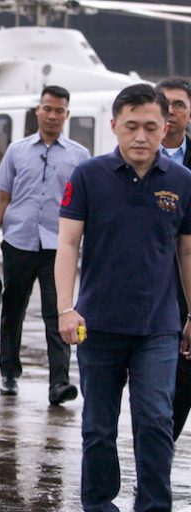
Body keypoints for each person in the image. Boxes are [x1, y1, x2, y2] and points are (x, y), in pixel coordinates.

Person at [55, 83, 191, 512]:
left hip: (158, 327)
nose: (141, 136)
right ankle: (99, 504)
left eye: (151, 127)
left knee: (155, 421)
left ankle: (153, 506)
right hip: (97, 325)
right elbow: (68, 245)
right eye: (131, 126)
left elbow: (187, 252)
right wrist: (65, 308)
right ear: (114, 125)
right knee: (98, 427)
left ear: (165, 127)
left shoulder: (182, 181)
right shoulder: (88, 176)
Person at [0, 85, 90, 403]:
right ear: (38, 111)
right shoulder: (17, 151)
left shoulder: (79, 156)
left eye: (59, 111)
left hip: (59, 247)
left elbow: (87, 206)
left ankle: (59, 383)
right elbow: (2, 198)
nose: (53, 115)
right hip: (18, 242)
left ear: (67, 115)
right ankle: (9, 373)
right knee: (13, 309)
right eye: (48, 109)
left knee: (58, 311)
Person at [155, 77, 191, 443]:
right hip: (145, 280)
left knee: (184, 377)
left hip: (186, 282)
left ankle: (161, 449)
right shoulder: (135, 156)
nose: (171, 110)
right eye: (164, 102)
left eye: (179, 104)